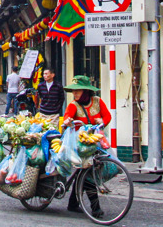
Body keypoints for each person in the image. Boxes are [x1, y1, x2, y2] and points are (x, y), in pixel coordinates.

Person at [61, 75, 109, 218]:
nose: (74, 93)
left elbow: (107, 116)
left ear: (86, 91)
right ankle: (96, 208)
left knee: (82, 173)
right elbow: (67, 118)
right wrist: (68, 121)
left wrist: (102, 122)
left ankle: (73, 203)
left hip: (95, 142)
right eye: (73, 91)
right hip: (80, 145)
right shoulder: (73, 105)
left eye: (78, 90)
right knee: (87, 173)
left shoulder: (97, 101)